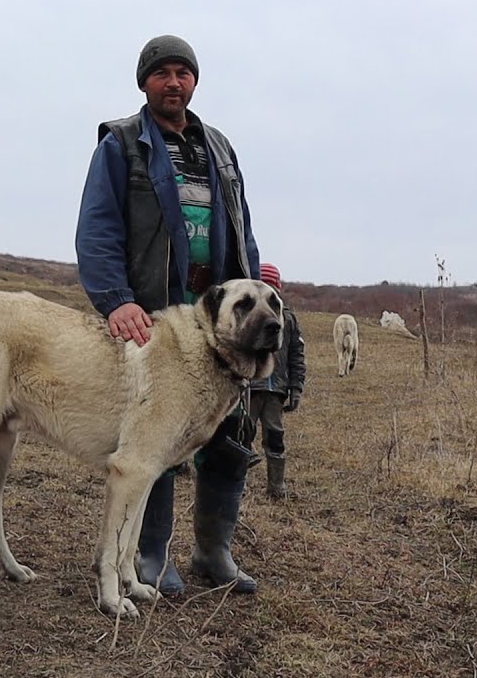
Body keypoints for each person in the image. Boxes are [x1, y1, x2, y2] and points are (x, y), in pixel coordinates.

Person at [75, 34, 261, 596]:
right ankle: (151, 554)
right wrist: (117, 299)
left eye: (183, 72)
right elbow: (98, 227)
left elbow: (240, 226)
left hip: (220, 319)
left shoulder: (220, 148)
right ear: (145, 82)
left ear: (195, 81)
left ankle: (213, 550)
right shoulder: (122, 144)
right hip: (158, 313)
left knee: (227, 426)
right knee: (158, 433)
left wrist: (254, 275)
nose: (173, 82)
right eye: (162, 73)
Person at [241, 263, 305, 499]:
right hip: (249, 388)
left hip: (276, 391)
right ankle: (238, 483)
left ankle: (276, 487)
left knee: (275, 436)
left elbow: (297, 354)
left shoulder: (287, 319)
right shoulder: (245, 316)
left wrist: (295, 387)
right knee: (241, 434)